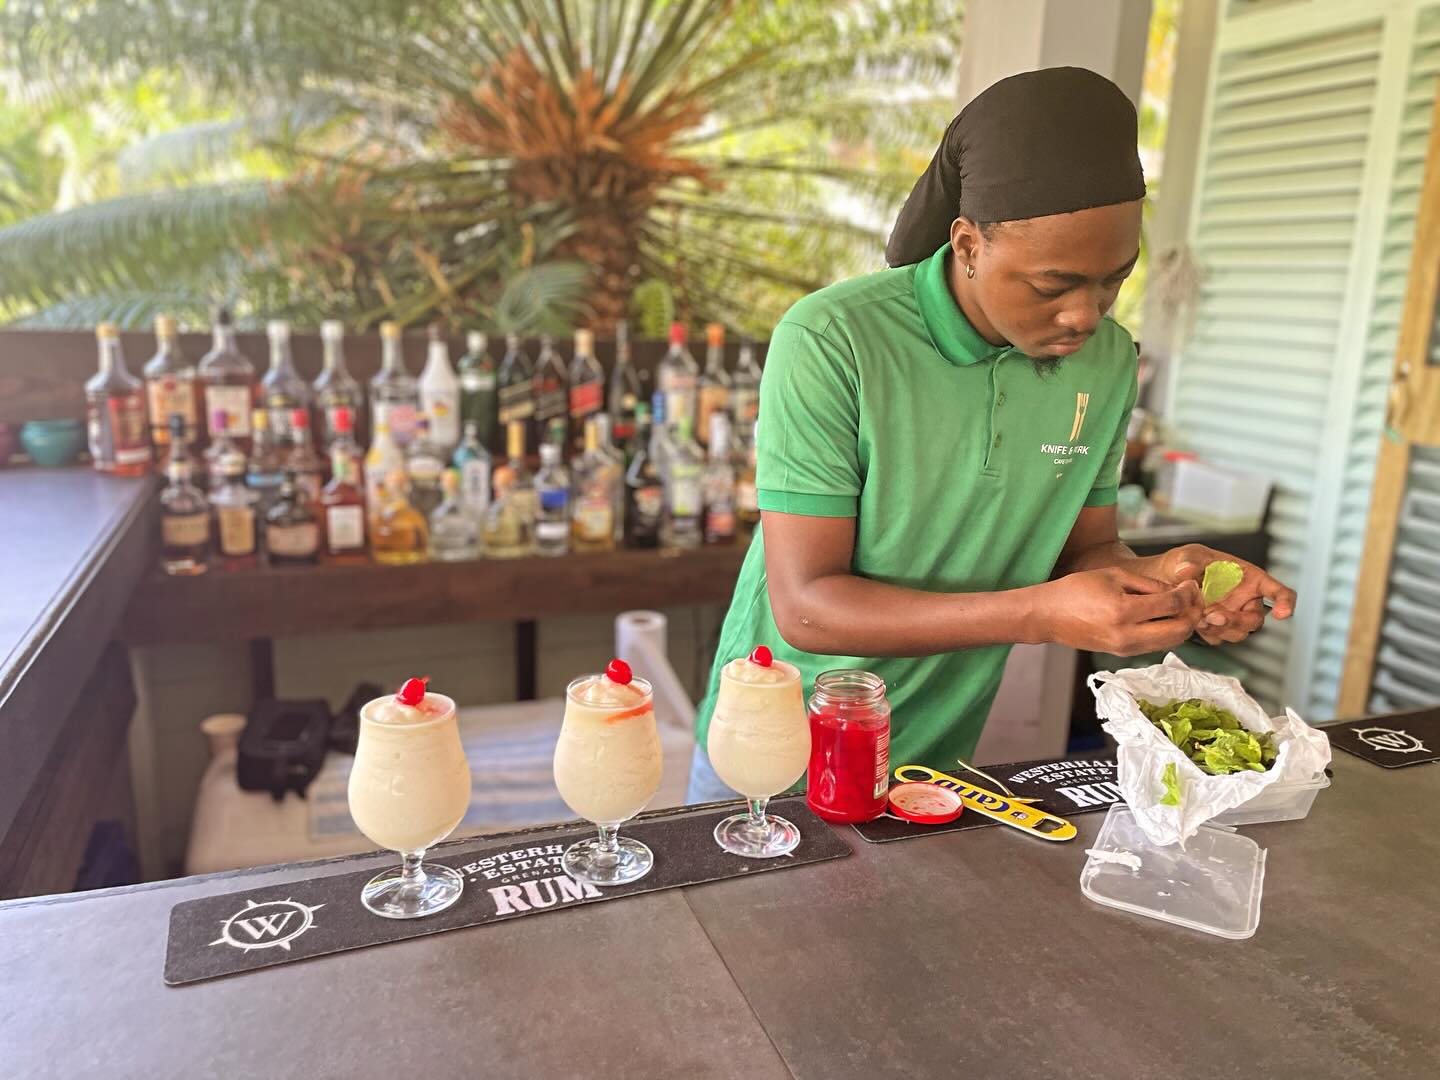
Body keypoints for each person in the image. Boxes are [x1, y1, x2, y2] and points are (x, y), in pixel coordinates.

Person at [686, 67, 1295, 802]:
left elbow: (1083, 552)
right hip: (780, 747)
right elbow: (807, 606)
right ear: (969, 245)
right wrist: (1040, 613)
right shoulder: (833, 338)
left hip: (934, 758)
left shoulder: (1106, 362)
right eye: (1052, 285)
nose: (1085, 315)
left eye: (1114, 280)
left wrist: (1167, 581)